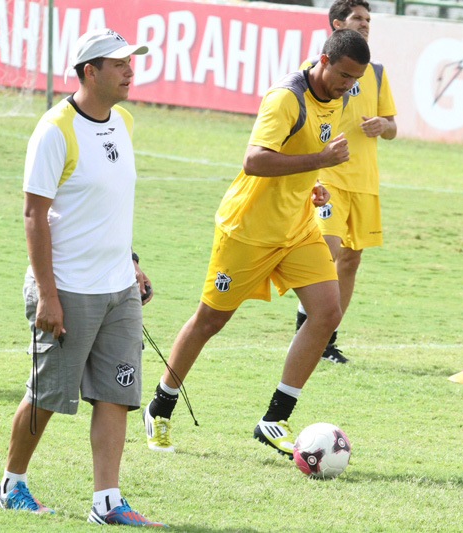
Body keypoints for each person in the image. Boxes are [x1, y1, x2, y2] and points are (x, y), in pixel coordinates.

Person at [142, 29, 370, 458]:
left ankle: (275, 419)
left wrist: (313, 183)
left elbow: (302, 154)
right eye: (342, 75)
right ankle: (159, 406)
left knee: (327, 312)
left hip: (297, 228)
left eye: (353, 79)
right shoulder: (286, 98)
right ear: (323, 60)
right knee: (210, 322)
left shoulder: (336, 96)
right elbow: (255, 159)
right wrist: (320, 162)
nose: (346, 85)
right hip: (247, 231)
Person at [0, 29, 165, 527]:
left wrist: (130, 262)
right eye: (119, 64)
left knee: (118, 392)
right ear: (90, 71)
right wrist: (47, 294)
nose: (130, 70)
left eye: (131, 61)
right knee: (48, 394)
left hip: (118, 289)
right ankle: (12, 484)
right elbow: (33, 214)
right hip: (67, 289)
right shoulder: (55, 129)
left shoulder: (125, 121)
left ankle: (107, 501)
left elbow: (110, 204)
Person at [294, 0, 398, 364]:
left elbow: (393, 128)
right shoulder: (314, 69)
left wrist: (383, 126)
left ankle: (326, 340)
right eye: (358, 18)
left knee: (350, 261)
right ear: (338, 24)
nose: (365, 24)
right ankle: (308, 331)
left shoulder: (377, 71)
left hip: (365, 182)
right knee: (327, 253)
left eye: (369, 19)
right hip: (330, 178)